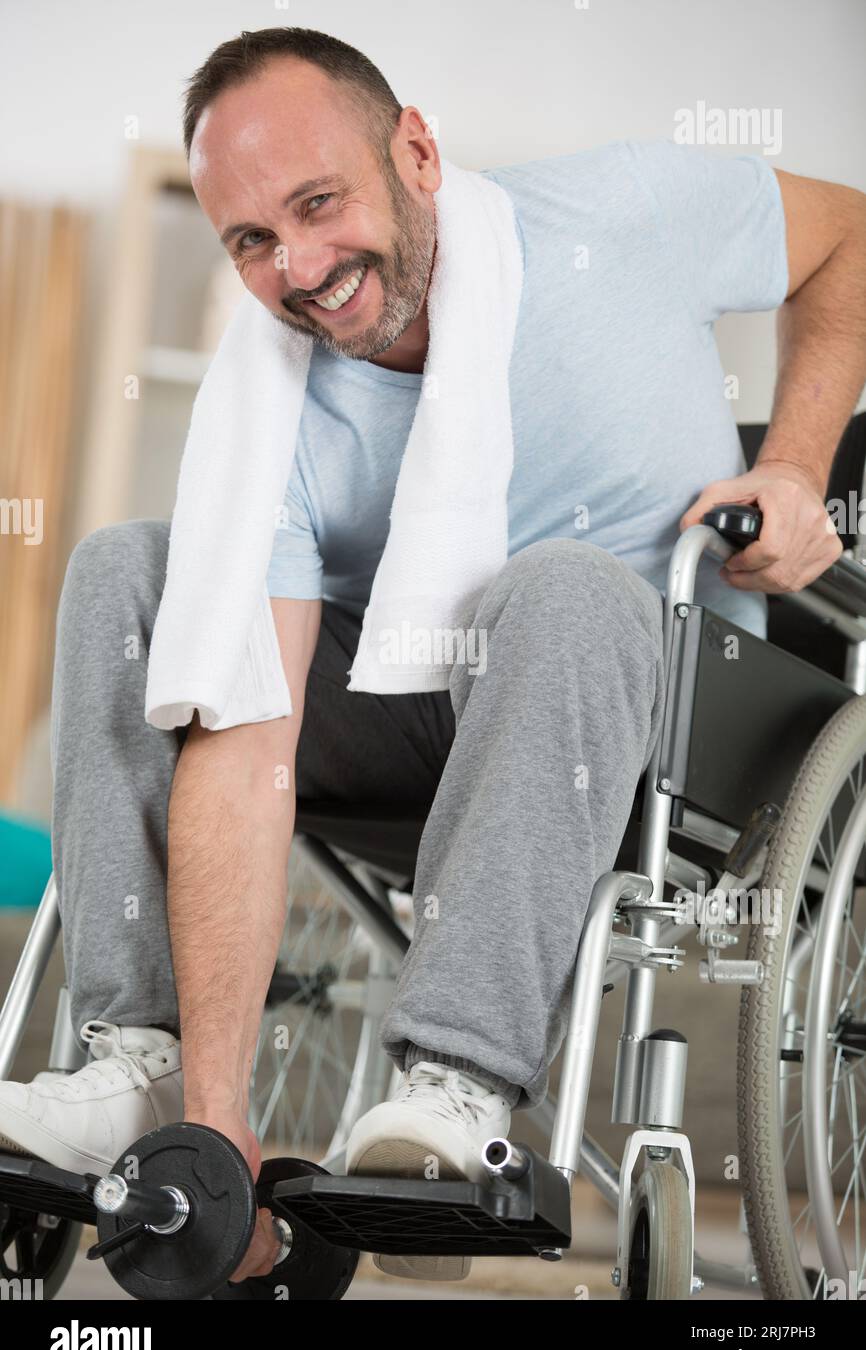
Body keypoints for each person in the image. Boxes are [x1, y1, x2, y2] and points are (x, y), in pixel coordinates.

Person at [1, 26, 862, 1285]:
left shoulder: (620, 216)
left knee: (558, 586)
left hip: (644, 716)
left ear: (413, 149)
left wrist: (792, 465)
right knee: (127, 569)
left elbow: (846, 236)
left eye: (317, 203)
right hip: (402, 721)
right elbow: (246, 747)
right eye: (250, 240)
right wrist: (218, 1126)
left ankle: (455, 1092)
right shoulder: (274, 408)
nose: (297, 267)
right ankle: (138, 1065)